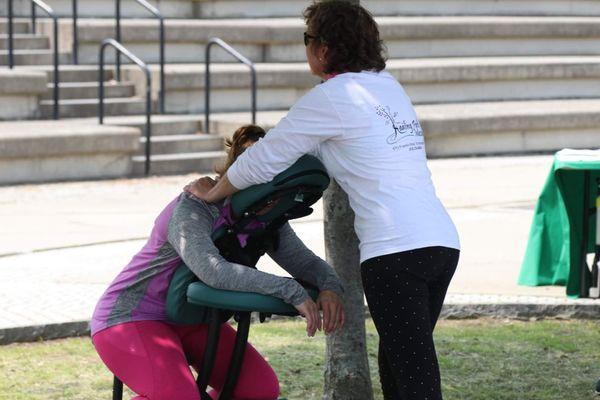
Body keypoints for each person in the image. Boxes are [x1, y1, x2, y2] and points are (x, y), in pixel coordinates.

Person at [187, 2, 460, 400]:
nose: (307, 49)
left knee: (414, 379)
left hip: (395, 253)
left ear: (325, 48)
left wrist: (213, 192)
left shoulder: (333, 96)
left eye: (308, 40)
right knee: (398, 367)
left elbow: (264, 158)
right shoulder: (388, 87)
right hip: (440, 245)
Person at [91, 124, 345, 400]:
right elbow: (214, 271)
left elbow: (306, 264)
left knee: (258, 390)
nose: (276, 204)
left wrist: (329, 287)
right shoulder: (194, 207)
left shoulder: (266, 214)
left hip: (190, 318)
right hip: (131, 317)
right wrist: (289, 290)